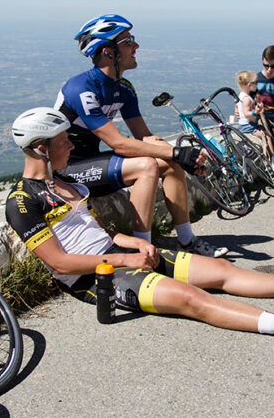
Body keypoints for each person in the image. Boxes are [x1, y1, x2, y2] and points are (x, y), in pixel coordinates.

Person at [5, 107, 274, 346]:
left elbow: (101, 233)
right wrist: (125, 261)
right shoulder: (22, 201)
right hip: (95, 276)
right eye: (63, 141)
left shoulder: (67, 181)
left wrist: (133, 244)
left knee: (222, 272)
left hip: (118, 256)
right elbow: (60, 264)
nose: (71, 144)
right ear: (39, 149)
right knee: (195, 300)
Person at [54, 14, 227, 258]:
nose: (136, 47)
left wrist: (185, 157)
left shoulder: (124, 89)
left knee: (170, 162)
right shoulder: (81, 89)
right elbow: (118, 144)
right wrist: (176, 151)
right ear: (108, 52)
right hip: (66, 172)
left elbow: (144, 136)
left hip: (92, 165)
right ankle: (143, 252)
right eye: (128, 42)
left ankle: (187, 241)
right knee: (146, 166)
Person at [234, 70, 274, 157]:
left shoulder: (240, 96)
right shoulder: (247, 99)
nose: (257, 84)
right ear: (249, 85)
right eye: (255, 83)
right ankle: (273, 159)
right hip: (248, 126)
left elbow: (238, 107)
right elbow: (246, 114)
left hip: (244, 124)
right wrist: (256, 112)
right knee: (266, 137)